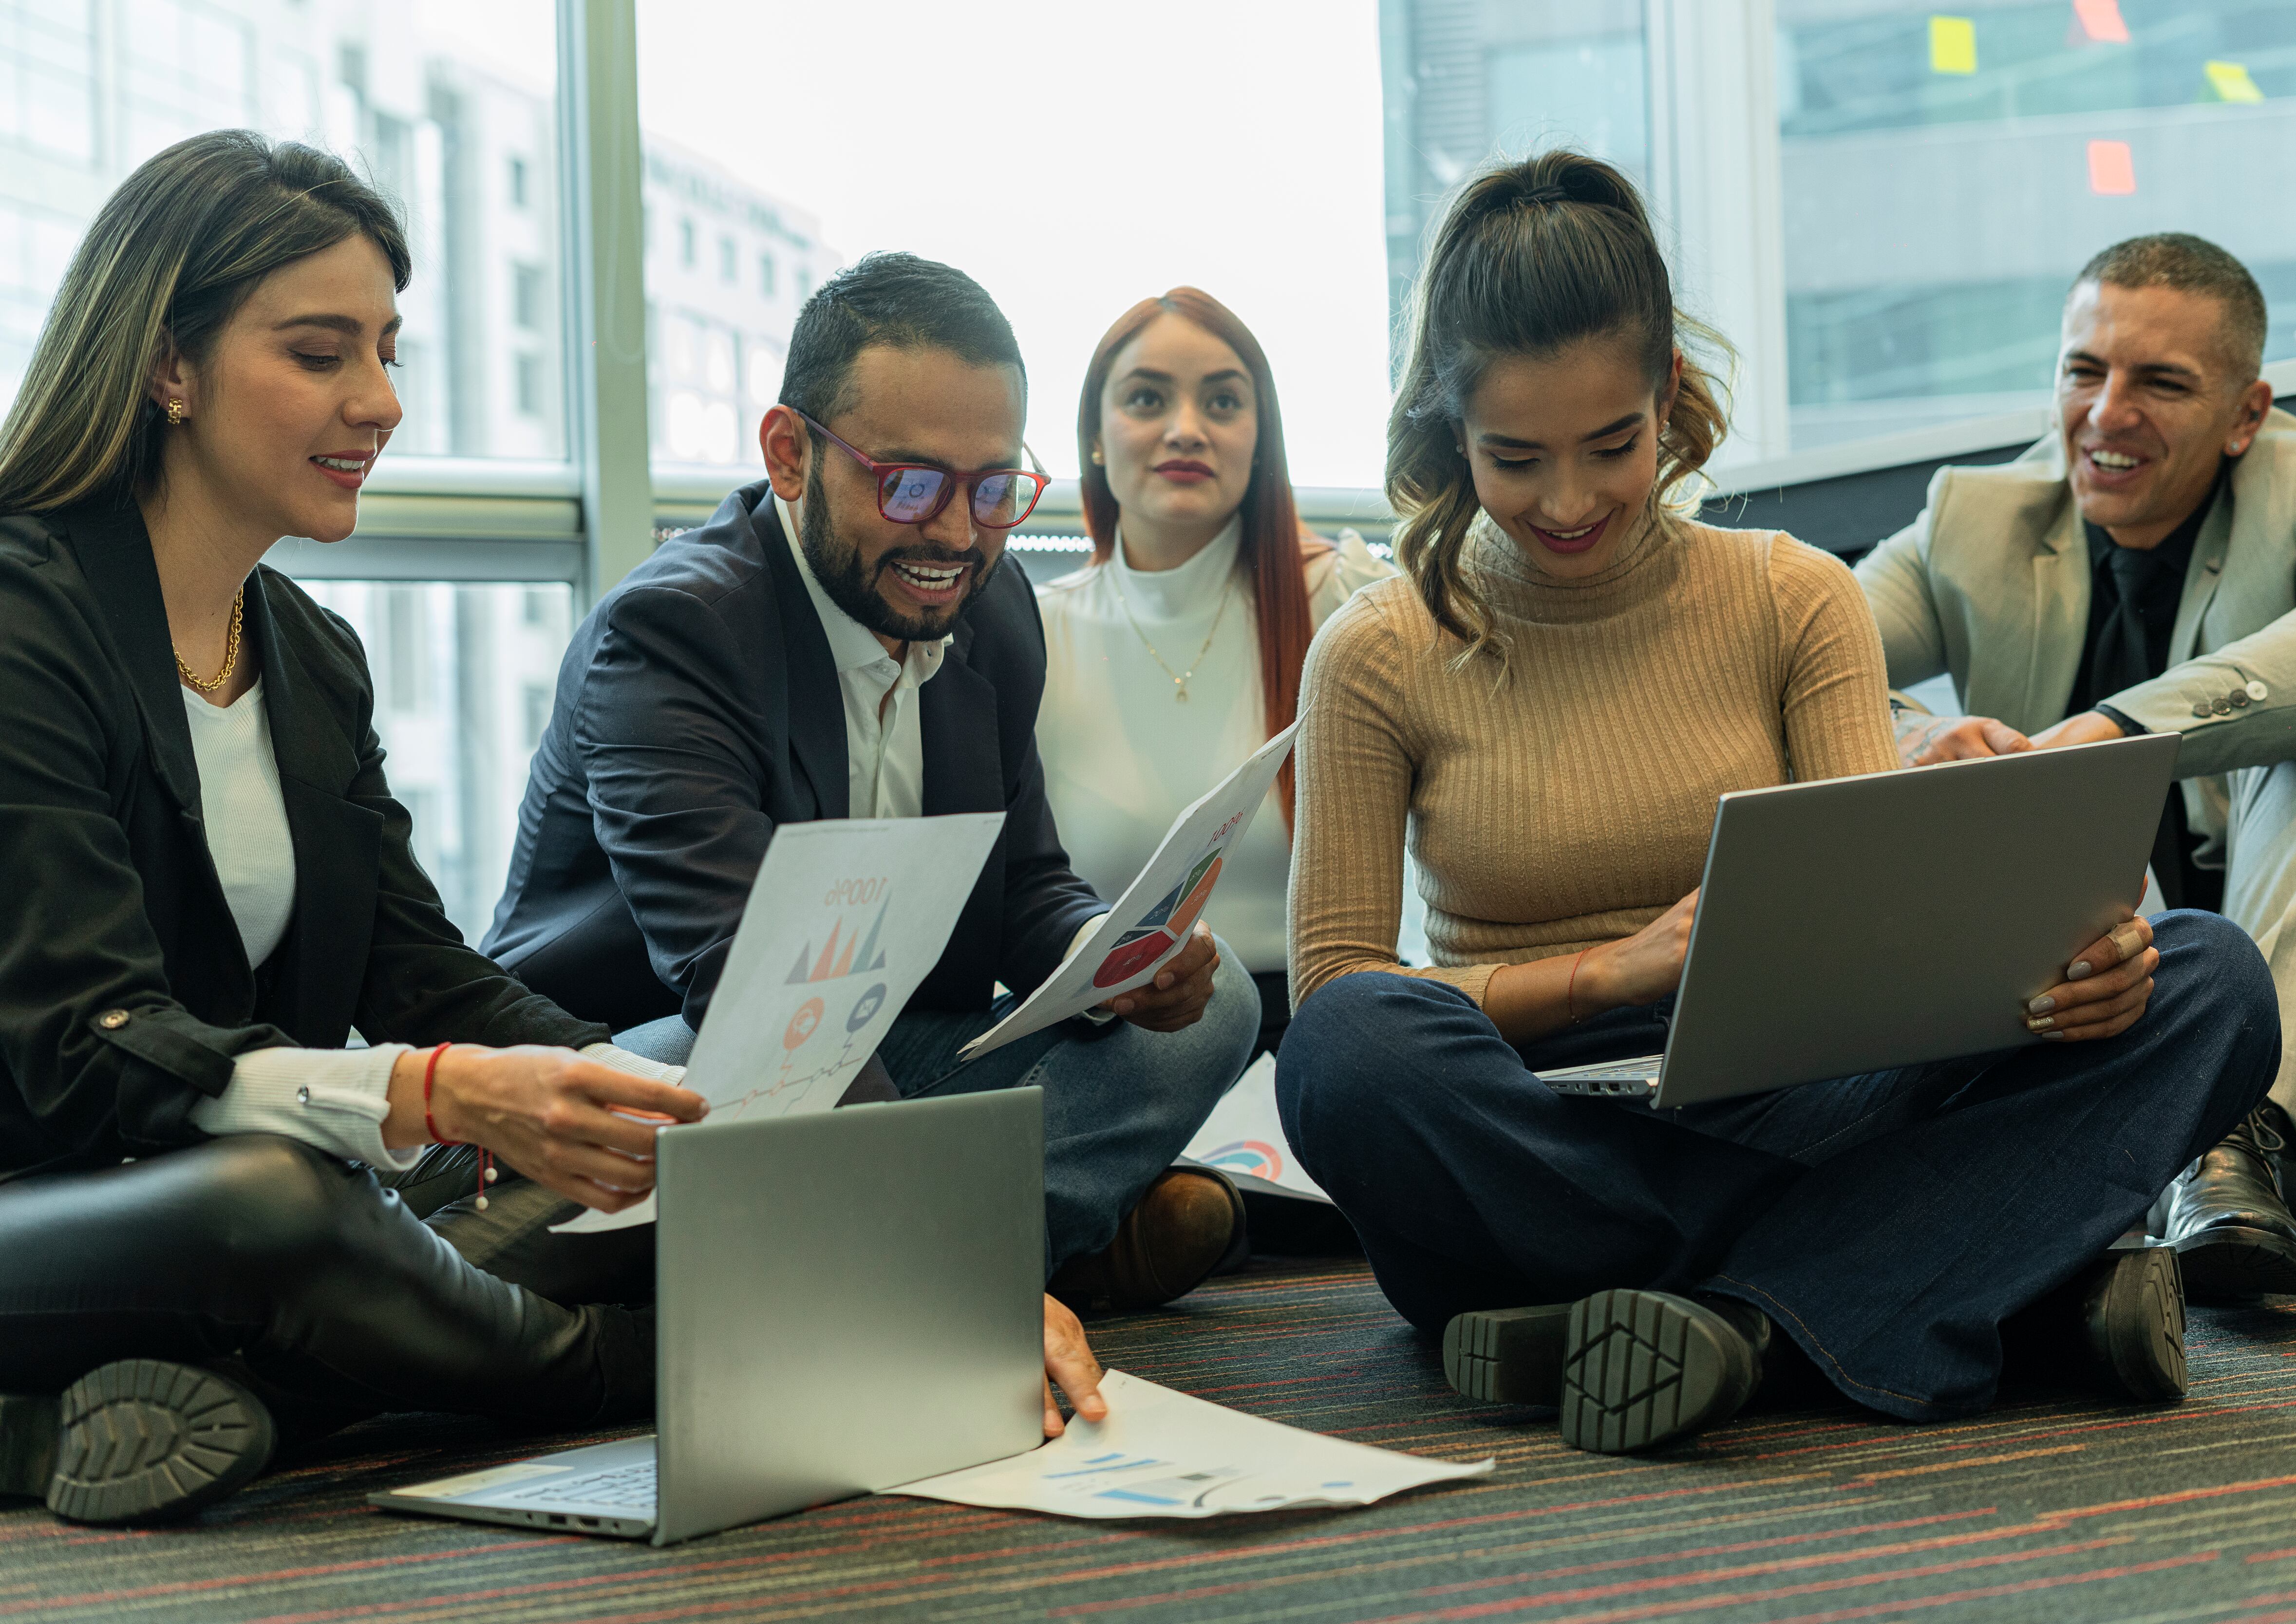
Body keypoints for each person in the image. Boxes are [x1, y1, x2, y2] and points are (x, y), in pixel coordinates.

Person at [0, 136, 1110, 1531]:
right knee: (280, 1205)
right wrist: (443, 1094)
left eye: (389, 351)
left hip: (233, 1192)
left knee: (662, 1135)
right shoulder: (24, 620)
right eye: (321, 353)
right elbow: (85, 1044)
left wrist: (682, 1126)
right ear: (170, 367)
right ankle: (645, 1372)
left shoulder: (305, 655)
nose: (382, 401)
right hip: (55, 1197)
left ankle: (192, 1399)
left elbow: (426, 973)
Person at [1276, 151, 2282, 1457]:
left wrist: (2081, 967)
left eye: (1613, 446)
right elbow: (1339, 988)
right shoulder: (1376, 650)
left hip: (1798, 1096)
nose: (1568, 502)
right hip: (1531, 1128)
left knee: (2208, 977)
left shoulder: (1790, 596)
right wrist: (1604, 974)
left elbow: (1882, 946)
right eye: (1515, 458)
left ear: (1672, 401)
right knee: (1352, 1053)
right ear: (1447, 433)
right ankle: (1911, 1289)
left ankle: (1719, 1322)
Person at [485, 253, 1261, 1314]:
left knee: (1215, 1008)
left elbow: (1025, 882)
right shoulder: (675, 633)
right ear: (789, 453)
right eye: (907, 482)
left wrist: (1111, 958)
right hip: (662, 1050)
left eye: (993, 489)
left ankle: (894, 1278)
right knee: (684, 1081)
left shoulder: (989, 613)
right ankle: (978, 1277)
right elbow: (745, 982)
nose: (953, 532)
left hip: (883, 1041)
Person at [1857, 234, 2296, 1292]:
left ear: (2247, 414)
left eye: (2160, 384)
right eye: (2083, 371)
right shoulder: (1976, 519)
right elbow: (1796, 660)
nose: (2105, 415)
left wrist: (2116, 732)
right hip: (2081, 1081)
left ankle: (2231, 1136)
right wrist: (1925, 743)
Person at [1035, 288, 1390, 1060]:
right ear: (1095, 438)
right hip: (1114, 1046)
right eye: (1147, 398)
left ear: (1261, 439)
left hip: (1323, 1044)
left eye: (1224, 401)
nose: (1186, 429)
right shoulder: (1033, 636)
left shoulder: (1343, 604)